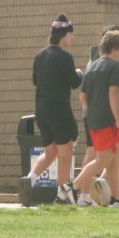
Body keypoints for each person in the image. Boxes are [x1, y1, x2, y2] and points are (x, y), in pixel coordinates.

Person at [18, 15, 83, 207]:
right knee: (66, 151)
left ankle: (30, 179)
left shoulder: (40, 56)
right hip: (59, 109)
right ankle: (63, 192)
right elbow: (74, 82)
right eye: (71, 35)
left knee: (50, 152)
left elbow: (36, 81)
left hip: (42, 110)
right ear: (64, 35)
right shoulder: (64, 57)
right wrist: (79, 72)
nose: (72, 39)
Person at [65, 29, 119, 207]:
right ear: (115, 47)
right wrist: (118, 118)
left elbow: (83, 96)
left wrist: (92, 111)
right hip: (107, 121)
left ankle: (116, 198)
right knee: (102, 159)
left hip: (92, 120)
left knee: (113, 153)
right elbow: (114, 93)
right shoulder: (115, 65)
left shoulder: (92, 66)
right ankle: (72, 187)